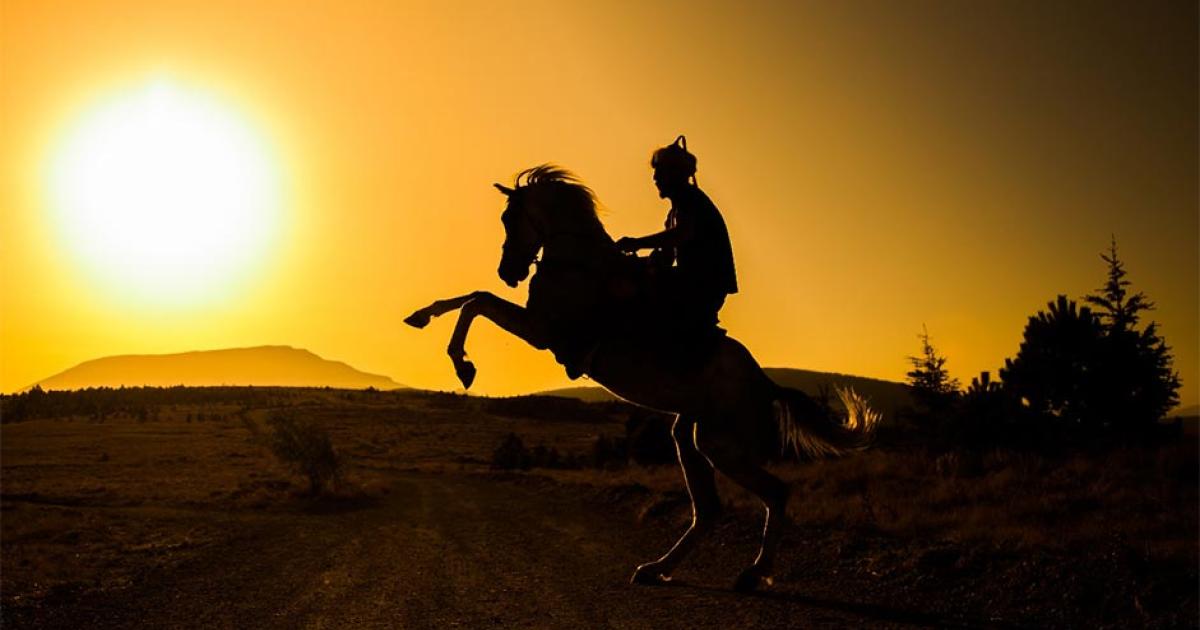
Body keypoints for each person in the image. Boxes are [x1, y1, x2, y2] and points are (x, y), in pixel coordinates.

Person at [616, 136, 737, 331]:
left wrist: (637, 243)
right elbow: (668, 255)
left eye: (660, 172)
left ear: (675, 173)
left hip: (701, 285)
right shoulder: (675, 211)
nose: (655, 179)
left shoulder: (690, 200)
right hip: (692, 281)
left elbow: (682, 234)